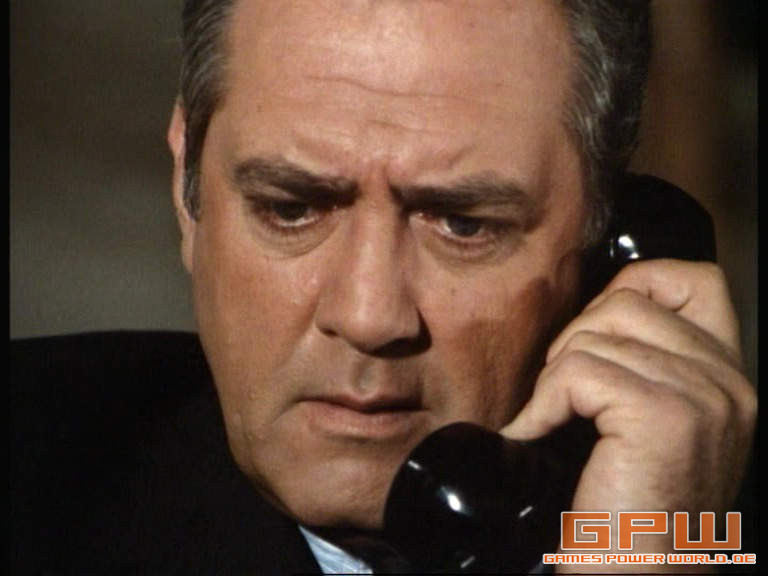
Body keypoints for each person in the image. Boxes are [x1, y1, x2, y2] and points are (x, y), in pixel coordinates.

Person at [9, 0, 755, 574]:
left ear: (606, 238)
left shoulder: (693, 528)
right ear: (187, 192)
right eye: (291, 210)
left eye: (462, 224)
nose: (368, 317)